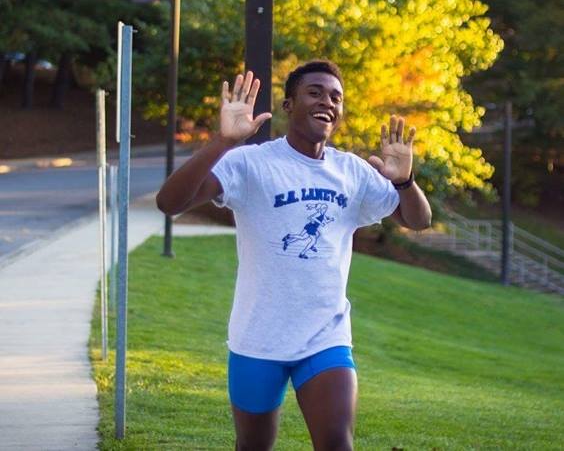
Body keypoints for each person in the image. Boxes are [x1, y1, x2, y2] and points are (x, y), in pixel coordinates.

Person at [156, 60, 432, 451]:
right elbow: (169, 202)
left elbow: (418, 220)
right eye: (315, 92)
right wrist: (223, 142)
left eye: (335, 96)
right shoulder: (250, 163)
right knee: (253, 446)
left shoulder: (351, 171)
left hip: (326, 337)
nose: (327, 102)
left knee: (337, 443)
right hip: (258, 338)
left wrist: (405, 181)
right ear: (289, 105)